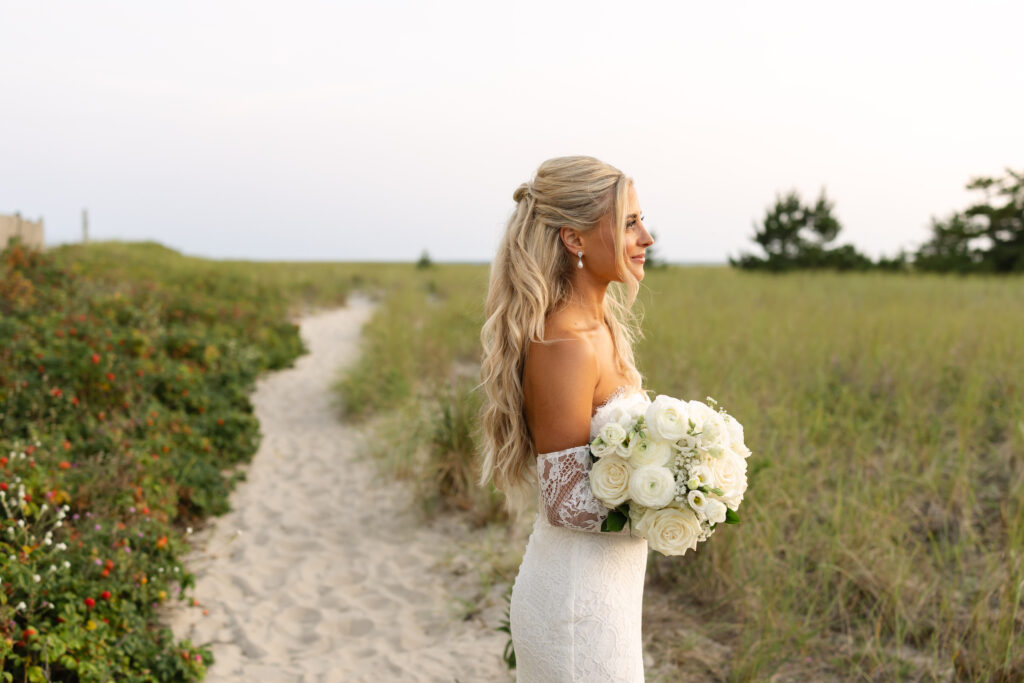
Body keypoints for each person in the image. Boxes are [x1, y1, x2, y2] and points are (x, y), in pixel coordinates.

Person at [478, 155, 655, 681]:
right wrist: (674, 493)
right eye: (629, 222)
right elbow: (563, 501)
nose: (646, 236)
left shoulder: (603, 330)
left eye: (641, 220)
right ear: (574, 239)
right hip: (576, 603)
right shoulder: (566, 345)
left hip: (611, 592)